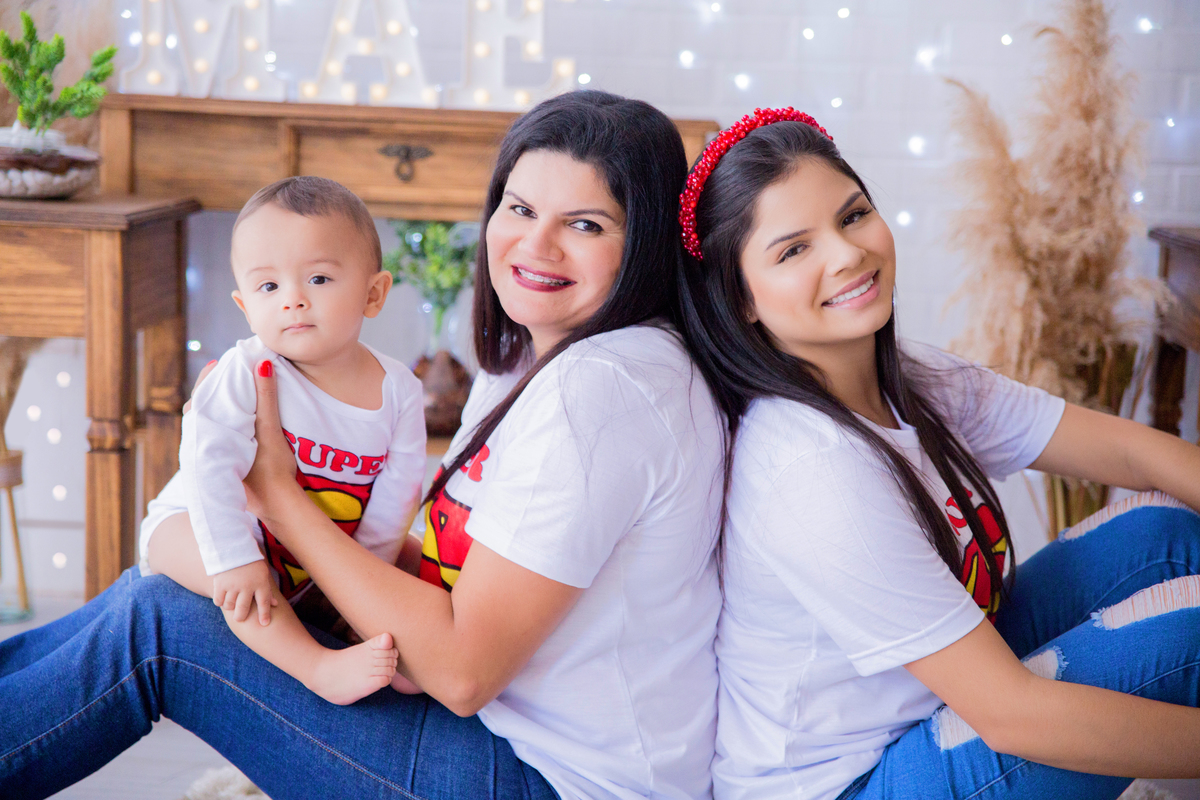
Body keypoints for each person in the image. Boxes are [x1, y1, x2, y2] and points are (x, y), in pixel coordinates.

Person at [0, 90, 724, 800]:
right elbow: (467, 574)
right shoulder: (531, 362)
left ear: (649, 242)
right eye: (521, 208)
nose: (536, 244)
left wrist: (281, 497)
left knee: (159, 624)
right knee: (162, 591)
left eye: (587, 225)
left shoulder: (601, 393)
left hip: (543, 776)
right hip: (501, 732)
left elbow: (465, 672)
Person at [674, 107, 1200, 800]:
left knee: (1164, 533)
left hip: (928, 707)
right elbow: (1014, 717)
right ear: (742, 300)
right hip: (855, 783)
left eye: (853, 215)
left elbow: (1133, 452)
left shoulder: (912, 378)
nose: (847, 254)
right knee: (1188, 632)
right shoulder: (809, 469)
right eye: (793, 250)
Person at [139, 176, 427, 705]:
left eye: (318, 278)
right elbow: (206, 464)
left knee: (411, 560)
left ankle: (381, 639)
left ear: (373, 293)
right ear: (246, 306)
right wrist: (233, 557)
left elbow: (399, 492)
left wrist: (356, 587)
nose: (293, 300)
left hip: (314, 544)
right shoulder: (245, 370)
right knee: (246, 588)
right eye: (269, 287)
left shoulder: (398, 391)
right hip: (203, 525)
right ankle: (316, 667)